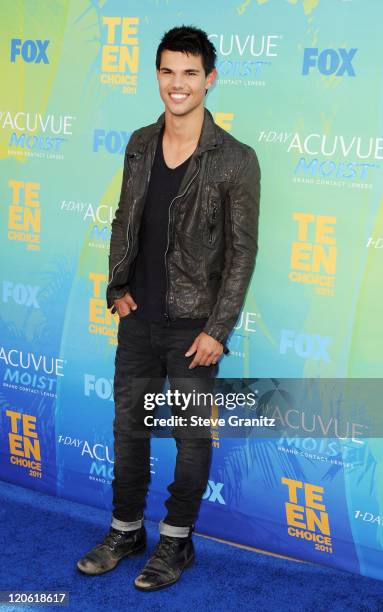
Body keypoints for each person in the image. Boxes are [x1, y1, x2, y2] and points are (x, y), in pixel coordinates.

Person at [77, 25, 261, 591]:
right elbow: (122, 222)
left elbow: (241, 253)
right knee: (129, 430)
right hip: (139, 321)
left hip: (193, 328)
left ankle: (177, 542)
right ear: (157, 75)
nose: (176, 84)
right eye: (166, 71)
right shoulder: (137, 142)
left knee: (187, 437)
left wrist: (218, 330)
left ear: (209, 79)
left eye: (188, 73)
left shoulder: (235, 159)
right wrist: (115, 288)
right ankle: (125, 530)